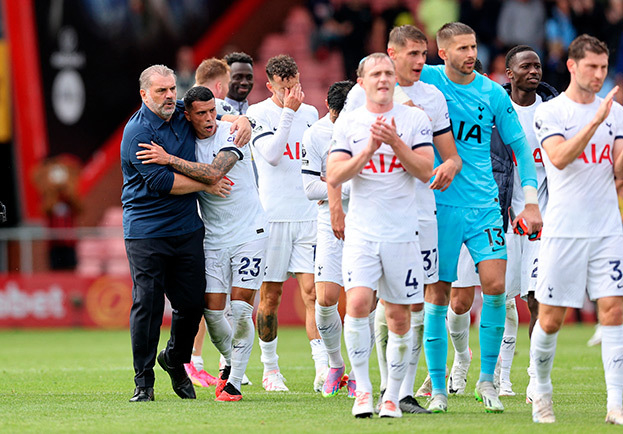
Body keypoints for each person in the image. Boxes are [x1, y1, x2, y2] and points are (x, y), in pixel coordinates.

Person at [418, 22, 542, 413]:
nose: (471, 54)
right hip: (439, 206)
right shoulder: (426, 80)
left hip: (485, 204)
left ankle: (487, 381)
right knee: (439, 295)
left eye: (473, 47)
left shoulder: (490, 91)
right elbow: (377, 78)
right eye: (461, 48)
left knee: (495, 286)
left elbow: (520, 146)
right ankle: (438, 387)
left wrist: (530, 199)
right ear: (443, 53)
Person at [136, 85, 267, 402]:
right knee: (210, 311)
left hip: (250, 232)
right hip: (212, 237)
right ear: (188, 115)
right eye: (202, 113)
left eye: (213, 111)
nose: (209, 118)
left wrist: (168, 159)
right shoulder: (184, 137)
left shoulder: (230, 133)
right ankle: (233, 362)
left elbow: (212, 173)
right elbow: (164, 103)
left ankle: (233, 382)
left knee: (239, 309)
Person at [327, 53, 434, 418]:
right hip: (362, 231)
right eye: (376, 73)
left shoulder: (414, 119)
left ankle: (391, 395)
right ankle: (364, 390)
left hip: (403, 233)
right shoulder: (350, 124)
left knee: (400, 318)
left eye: (388, 73)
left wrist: (395, 143)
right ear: (362, 82)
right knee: (357, 304)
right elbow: (335, 174)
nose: (384, 78)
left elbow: (425, 170)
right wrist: (370, 150)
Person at [530, 34, 623, 425]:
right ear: (572, 66)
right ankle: (542, 392)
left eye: (603, 67)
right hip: (564, 229)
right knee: (550, 319)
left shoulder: (615, 113)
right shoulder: (551, 113)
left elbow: (617, 168)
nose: (599, 74)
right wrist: (595, 122)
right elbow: (561, 158)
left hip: (605, 228)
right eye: (592, 67)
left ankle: (616, 404)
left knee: (614, 311)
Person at [121, 65, 219, 402]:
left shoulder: (181, 112)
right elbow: (163, 183)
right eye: (161, 91)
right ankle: (143, 383)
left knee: (192, 305)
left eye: (172, 89)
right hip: (146, 232)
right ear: (144, 94)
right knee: (147, 305)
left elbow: (214, 115)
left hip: (187, 229)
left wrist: (243, 122)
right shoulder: (136, 133)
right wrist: (209, 180)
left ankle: (174, 360)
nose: (169, 96)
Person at [247, 54, 324, 392]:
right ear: (270, 86)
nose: (291, 92)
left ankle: (324, 368)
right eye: (283, 87)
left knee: (314, 294)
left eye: (295, 85)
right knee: (271, 296)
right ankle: (270, 369)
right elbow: (274, 154)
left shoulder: (311, 113)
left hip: (307, 214)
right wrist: (288, 113)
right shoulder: (257, 114)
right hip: (274, 217)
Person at [301, 80, 356, 398]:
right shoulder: (316, 134)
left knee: (363, 302)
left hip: (364, 219)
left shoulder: (368, 127)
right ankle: (335, 365)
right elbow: (310, 189)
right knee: (325, 299)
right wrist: (344, 185)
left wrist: (333, 182)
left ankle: (359, 375)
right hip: (328, 222)